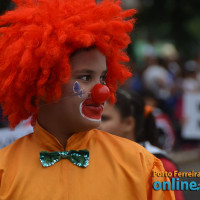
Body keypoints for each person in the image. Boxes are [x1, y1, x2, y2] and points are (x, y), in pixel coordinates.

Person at [0, 0, 175, 199]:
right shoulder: (4, 171)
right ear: (43, 83)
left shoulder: (140, 164)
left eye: (102, 78)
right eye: (85, 77)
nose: (103, 91)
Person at [100, 89, 184, 200]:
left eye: (104, 118)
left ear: (128, 123)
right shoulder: (92, 156)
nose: (96, 124)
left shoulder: (160, 164)